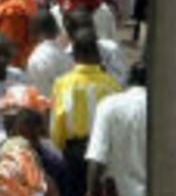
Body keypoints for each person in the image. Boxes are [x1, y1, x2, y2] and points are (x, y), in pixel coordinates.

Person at [49, 29, 123, 169]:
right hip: (103, 153)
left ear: (74, 56)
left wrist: (58, 148)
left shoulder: (62, 84)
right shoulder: (112, 86)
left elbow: (58, 121)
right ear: (98, 56)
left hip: (73, 151)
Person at [86, 60, 148, 196]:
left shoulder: (108, 106)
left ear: (128, 81)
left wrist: (91, 194)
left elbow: (97, 158)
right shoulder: (164, 109)